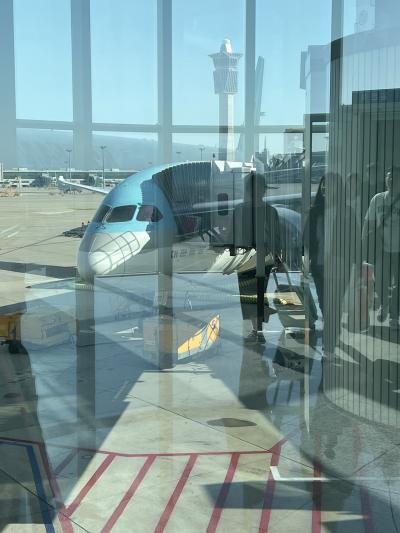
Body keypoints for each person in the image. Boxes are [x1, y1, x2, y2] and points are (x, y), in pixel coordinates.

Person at [362, 168, 400, 328]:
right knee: (380, 282)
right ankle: (385, 304)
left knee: (398, 285)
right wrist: (364, 242)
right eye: (389, 177)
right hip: (381, 249)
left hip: (398, 250)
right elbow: (368, 222)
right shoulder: (377, 199)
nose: (391, 180)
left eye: (395, 178)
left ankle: (394, 316)